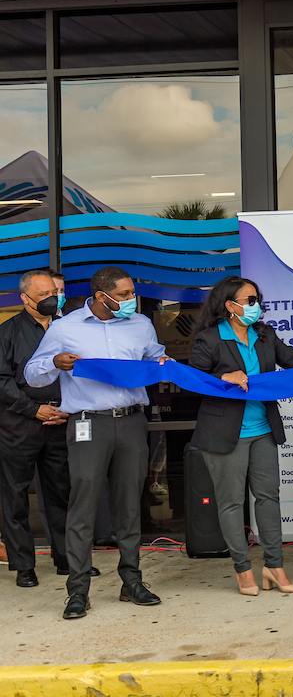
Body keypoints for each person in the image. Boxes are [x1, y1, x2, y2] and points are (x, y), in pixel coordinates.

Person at [25, 266, 170, 620]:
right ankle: (77, 591)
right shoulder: (65, 327)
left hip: (132, 421)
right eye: (123, 295)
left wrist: (163, 362)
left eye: (131, 293)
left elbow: (155, 357)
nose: (130, 300)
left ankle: (131, 582)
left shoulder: (141, 324)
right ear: (101, 295)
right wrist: (55, 362)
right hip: (89, 423)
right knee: (83, 506)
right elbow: (32, 372)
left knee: (129, 506)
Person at [189, 276, 293, 595]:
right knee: (231, 503)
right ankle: (242, 570)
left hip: (263, 429)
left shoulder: (264, 334)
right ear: (230, 306)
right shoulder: (209, 338)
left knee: (268, 498)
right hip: (224, 435)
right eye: (249, 300)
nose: (256, 305)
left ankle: (274, 567)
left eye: (256, 299)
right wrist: (224, 376)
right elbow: (195, 379)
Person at [0, 270, 70, 587]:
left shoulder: (67, 329)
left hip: (61, 421)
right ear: (25, 299)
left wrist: (66, 408)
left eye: (53, 292)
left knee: (62, 494)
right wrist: (34, 409)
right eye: (42, 295)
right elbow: (2, 382)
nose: (50, 299)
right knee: (14, 497)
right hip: (19, 426)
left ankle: (67, 559)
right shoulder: (8, 333)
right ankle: (23, 565)